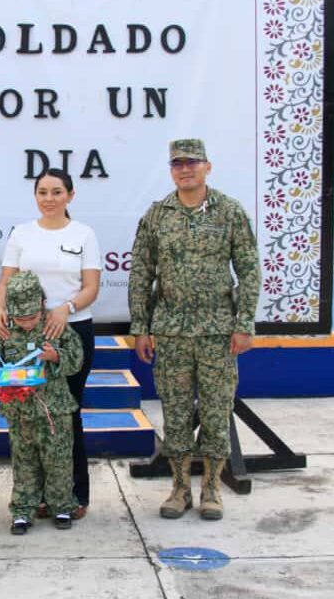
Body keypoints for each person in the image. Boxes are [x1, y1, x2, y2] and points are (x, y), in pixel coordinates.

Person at [128, 138, 260, 521]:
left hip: (219, 331)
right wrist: (141, 327)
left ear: (208, 166)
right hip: (170, 332)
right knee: (177, 413)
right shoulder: (157, 216)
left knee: (218, 414)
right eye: (177, 164)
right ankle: (180, 488)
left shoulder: (230, 212)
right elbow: (141, 274)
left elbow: (249, 269)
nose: (184, 169)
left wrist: (244, 324)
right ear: (171, 170)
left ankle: (213, 490)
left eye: (192, 163)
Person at [0, 169, 100, 520]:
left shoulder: (84, 234)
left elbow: (90, 287)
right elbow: (6, 280)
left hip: (70, 332)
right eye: (42, 192)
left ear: (70, 195)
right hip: (23, 336)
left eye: (56, 192)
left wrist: (65, 309)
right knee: (29, 423)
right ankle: (33, 498)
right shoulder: (22, 234)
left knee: (67, 417)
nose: (49, 198)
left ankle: (73, 496)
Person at [0, 271, 83, 535]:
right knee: (24, 463)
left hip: (54, 409)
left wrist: (56, 356)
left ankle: (61, 506)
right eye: (21, 318)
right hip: (20, 413)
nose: (26, 323)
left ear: (41, 305)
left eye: (31, 316)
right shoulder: (4, 331)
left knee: (58, 461)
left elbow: (76, 361)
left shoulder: (56, 327)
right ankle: (22, 511)